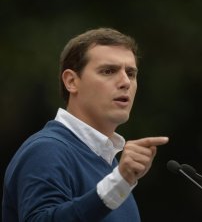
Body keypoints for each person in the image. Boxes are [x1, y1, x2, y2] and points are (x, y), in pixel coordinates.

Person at [2, 27, 169, 222]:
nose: (125, 82)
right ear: (72, 81)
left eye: (131, 73)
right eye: (108, 71)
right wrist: (118, 184)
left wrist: (120, 182)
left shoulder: (110, 163)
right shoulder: (47, 149)